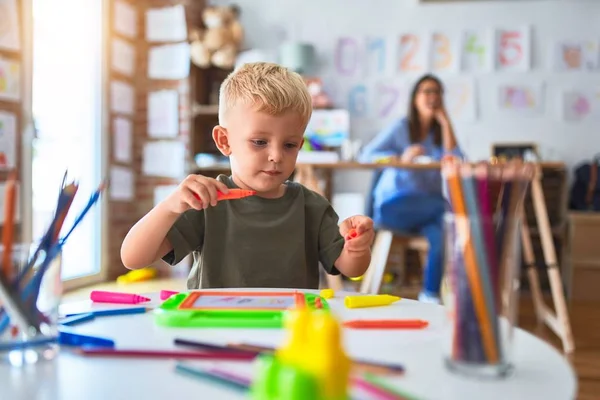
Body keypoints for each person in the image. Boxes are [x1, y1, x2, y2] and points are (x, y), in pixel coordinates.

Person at [121, 62, 374, 290]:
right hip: (215, 327)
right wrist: (169, 206)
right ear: (224, 140)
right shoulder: (207, 202)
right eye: (260, 142)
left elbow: (351, 268)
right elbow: (133, 258)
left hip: (288, 329)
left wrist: (357, 247)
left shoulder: (312, 206)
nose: (276, 155)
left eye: (289, 145)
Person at [358, 74, 463, 304]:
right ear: (415, 98)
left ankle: (430, 296)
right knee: (446, 211)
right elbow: (366, 155)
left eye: (437, 92)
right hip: (395, 207)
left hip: (429, 210)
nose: (432, 97)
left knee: (442, 231)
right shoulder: (401, 128)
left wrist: (446, 123)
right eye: (426, 91)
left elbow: (459, 161)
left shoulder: (441, 133)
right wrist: (400, 157)